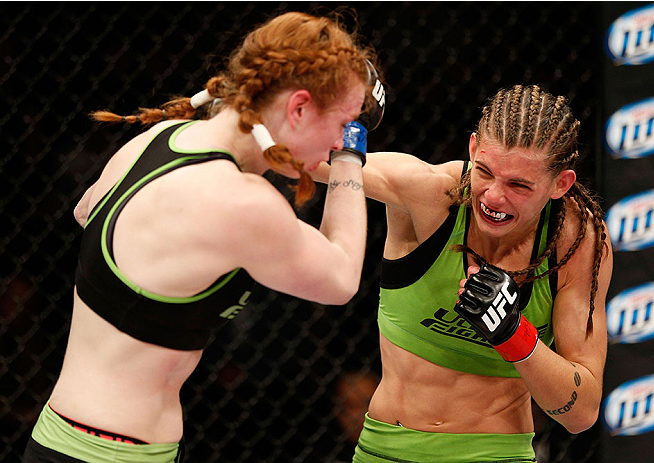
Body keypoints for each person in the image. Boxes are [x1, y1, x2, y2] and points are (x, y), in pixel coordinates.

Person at [22, 11, 384, 463]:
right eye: (345, 122)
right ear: (298, 107)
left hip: (71, 436)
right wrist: (352, 156)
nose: (337, 140)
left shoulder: (161, 136)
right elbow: (342, 277)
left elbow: (86, 210)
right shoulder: (242, 201)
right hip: (107, 454)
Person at [314, 84, 612, 462]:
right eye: (485, 172)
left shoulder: (576, 240)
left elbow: (581, 412)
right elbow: (311, 158)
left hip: (496, 454)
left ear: (560, 184)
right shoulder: (430, 195)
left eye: (518, 185)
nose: (493, 197)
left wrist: (512, 335)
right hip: (383, 450)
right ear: (472, 148)